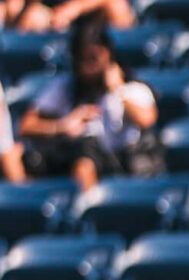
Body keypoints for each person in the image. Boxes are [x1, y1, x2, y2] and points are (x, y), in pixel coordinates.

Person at [17, 16, 153, 188]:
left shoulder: (131, 88)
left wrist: (118, 89)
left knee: (84, 163)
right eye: (82, 60)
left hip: (116, 163)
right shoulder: (65, 87)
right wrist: (62, 126)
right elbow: (26, 125)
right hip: (67, 156)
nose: (88, 67)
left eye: (94, 58)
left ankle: (86, 212)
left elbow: (146, 119)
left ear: (108, 54)